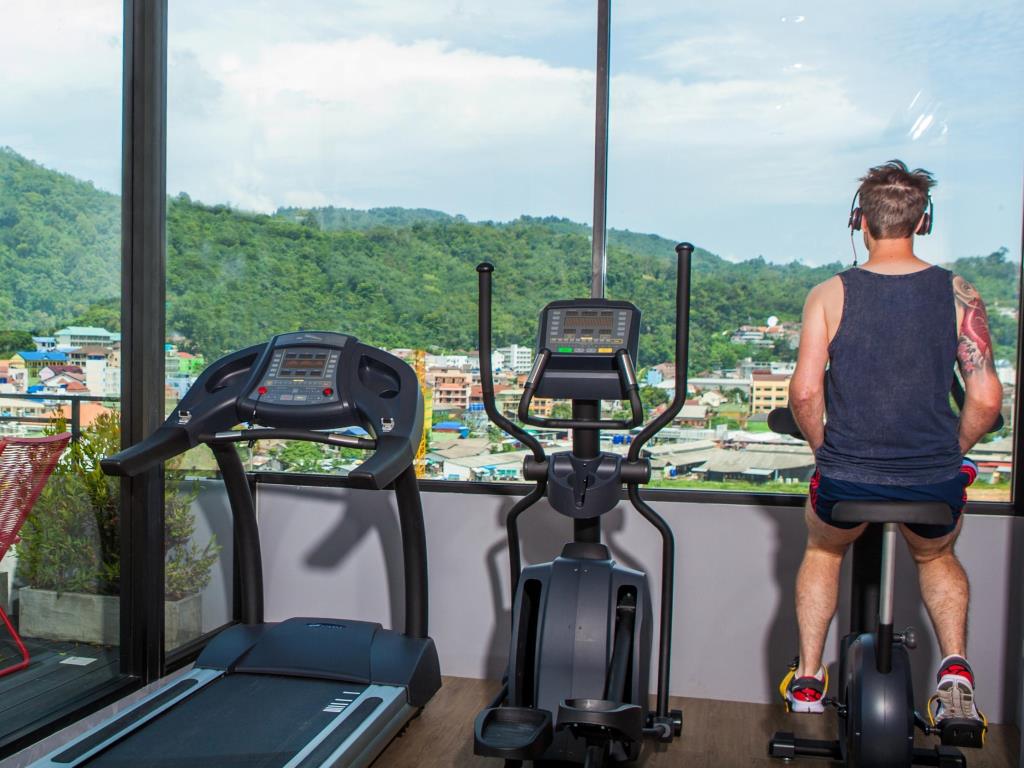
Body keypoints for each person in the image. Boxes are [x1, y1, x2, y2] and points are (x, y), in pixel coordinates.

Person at [779, 160, 1003, 727]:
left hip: (846, 477)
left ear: (859, 220)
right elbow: (985, 400)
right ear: (923, 222)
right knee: (936, 555)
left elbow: (803, 393)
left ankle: (808, 679)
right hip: (932, 478)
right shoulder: (960, 294)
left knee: (824, 551)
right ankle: (955, 672)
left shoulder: (829, 293)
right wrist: (950, 451)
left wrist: (824, 451)